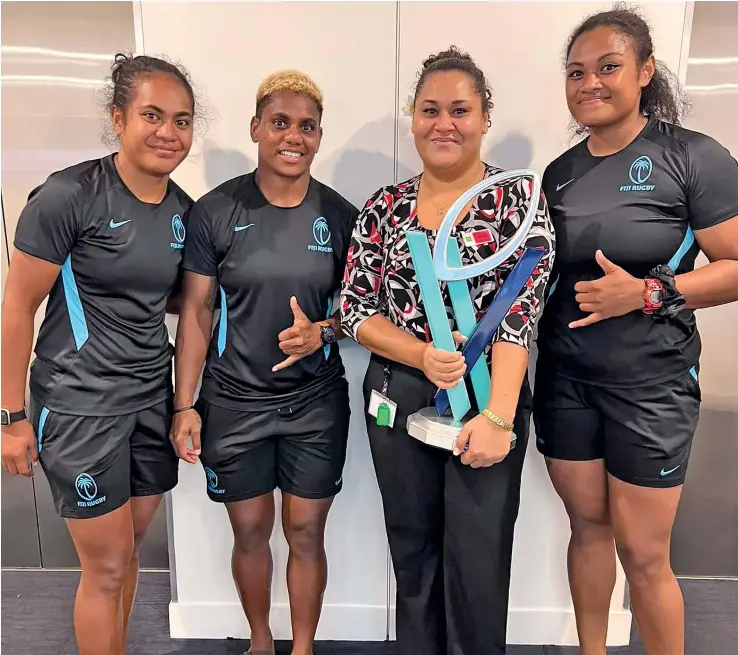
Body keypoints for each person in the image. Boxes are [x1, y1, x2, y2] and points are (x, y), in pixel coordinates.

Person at [533, 5, 738, 655]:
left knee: (644, 553)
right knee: (587, 528)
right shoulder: (558, 174)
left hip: (652, 386)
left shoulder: (693, 158)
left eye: (608, 67)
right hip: (566, 381)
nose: (590, 82)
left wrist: (649, 290)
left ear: (645, 70)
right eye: (576, 72)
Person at [340, 47, 555, 655]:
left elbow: (520, 317)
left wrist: (497, 418)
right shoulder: (384, 206)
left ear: (485, 117)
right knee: (412, 546)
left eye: (460, 110)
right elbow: (356, 309)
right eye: (430, 110)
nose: (444, 123)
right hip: (398, 392)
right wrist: (419, 355)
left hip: (490, 393)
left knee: (479, 552)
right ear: (412, 118)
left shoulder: (520, 203)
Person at [0, 53, 198, 655]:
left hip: (148, 401)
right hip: (81, 405)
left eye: (183, 120)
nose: (169, 133)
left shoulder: (183, 212)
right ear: (119, 117)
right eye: (152, 115)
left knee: (126, 557)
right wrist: (11, 417)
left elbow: (169, 302)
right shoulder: (68, 196)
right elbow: (16, 309)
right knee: (106, 568)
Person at [171, 70, 357, 655]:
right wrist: (185, 405)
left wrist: (322, 331)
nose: (293, 136)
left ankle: (301, 648)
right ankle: (260, 642)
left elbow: (363, 309)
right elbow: (197, 314)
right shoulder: (215, 212)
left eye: (307, 126)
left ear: (319, 137)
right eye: (280, 122)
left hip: (315, 403)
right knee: (250, 530)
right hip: (232, 403)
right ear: (257, 128)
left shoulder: (342, 216)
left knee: (305, 530)